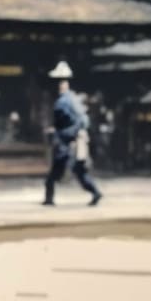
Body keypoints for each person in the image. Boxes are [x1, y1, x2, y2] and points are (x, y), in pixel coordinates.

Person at [42, 61, 102, 206]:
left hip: (67, 143)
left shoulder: (64, 102)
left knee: (55, 174)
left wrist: (64, 133)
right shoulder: (73, 100)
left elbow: (79, 122)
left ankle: (49, 199)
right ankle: (95, 192)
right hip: (71, 140)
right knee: (78, 171)